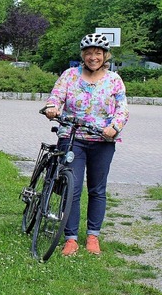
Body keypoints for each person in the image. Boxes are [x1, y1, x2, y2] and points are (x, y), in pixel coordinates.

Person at [43, 33, 129, 256]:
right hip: (73, 138)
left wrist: (115, 126)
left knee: (97, 189)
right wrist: (52, 107)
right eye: (89, 53)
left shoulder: (114, 80)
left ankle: (93, 236)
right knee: (72, 187)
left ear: (105, 56)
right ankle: (70, 238)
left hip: (102, 140)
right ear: (83, 55)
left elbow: (122, 109)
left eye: (98, 53)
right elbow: (56, 96)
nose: (93, 57)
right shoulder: (70, 76)